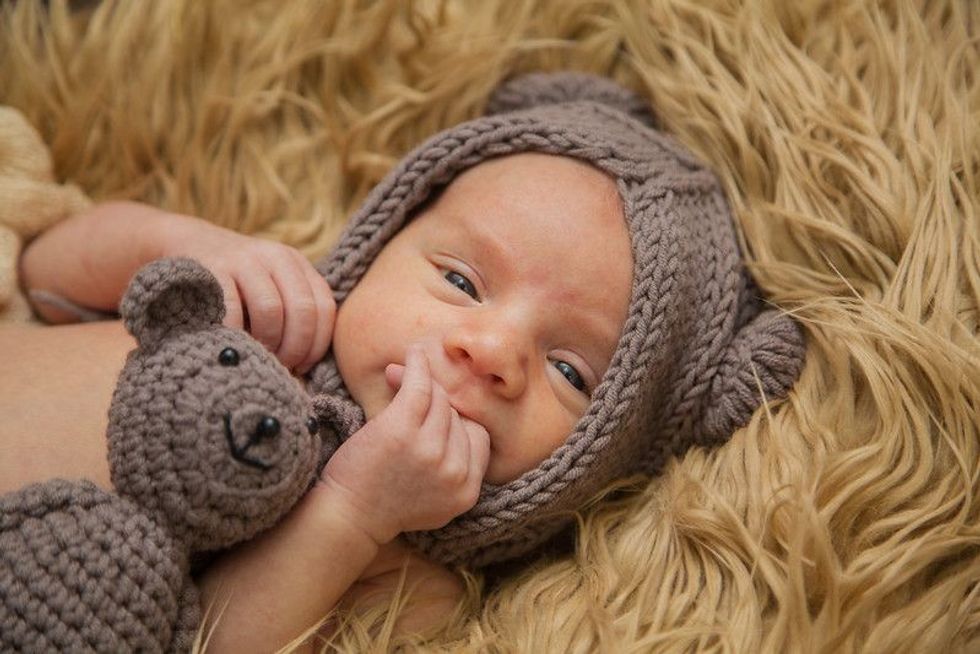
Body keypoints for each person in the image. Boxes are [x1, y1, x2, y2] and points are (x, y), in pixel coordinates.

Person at [0, 73, 805, 651]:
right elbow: (43, 270)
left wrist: (354, 512)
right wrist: (189, 246)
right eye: (460, 281)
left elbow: (202, 641)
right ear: (382, 238)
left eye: (571, 372)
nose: (488, 350)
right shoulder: (264, 308)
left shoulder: (413, 572)